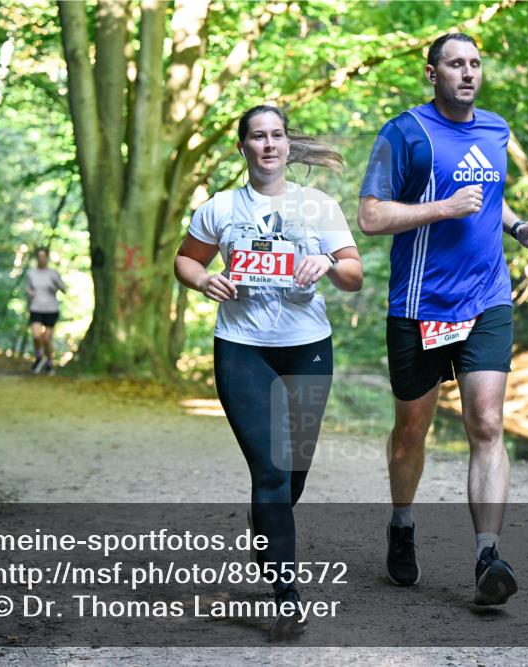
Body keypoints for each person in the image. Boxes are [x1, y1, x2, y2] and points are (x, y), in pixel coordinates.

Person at [357, 33, 528, 606]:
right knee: (410, 433)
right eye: (455, 64)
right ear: (432, 73)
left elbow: (490, 195)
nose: (468, 73)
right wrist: (442, 208)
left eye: (475, 64)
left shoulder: (495, 129)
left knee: (486, 424)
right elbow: (370, 216)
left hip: (486, 298)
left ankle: (488, 555)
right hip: (419, 306)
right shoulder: (404, 133)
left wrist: (517, 228)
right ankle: (402, 521)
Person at [174, 105, 362, 640]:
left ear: (287, 145)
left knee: (294, 471)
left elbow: (354, 273)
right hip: (242, 350)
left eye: (277, 135)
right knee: (272, 469)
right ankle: (286, 594)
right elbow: (185, 260)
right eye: (258, 136)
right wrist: (203, 280)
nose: (269, 144)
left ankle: (265, 523)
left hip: (307, 349)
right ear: (244, 148)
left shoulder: (319, 206)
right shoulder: (220, 208)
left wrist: (329, 264)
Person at [26, 247, 66, 375]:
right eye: (39, 257)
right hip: (36, 308)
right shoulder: (31, 273)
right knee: (36, 335)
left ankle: (49, 362)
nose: (41, 259)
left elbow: (64, 289)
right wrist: (30, 293)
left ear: (47, 258)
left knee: (47, 339)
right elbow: (28, 289)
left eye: (43, 257)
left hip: (51, 309)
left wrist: (56, 283)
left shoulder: (53, 273)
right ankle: (38, 357)